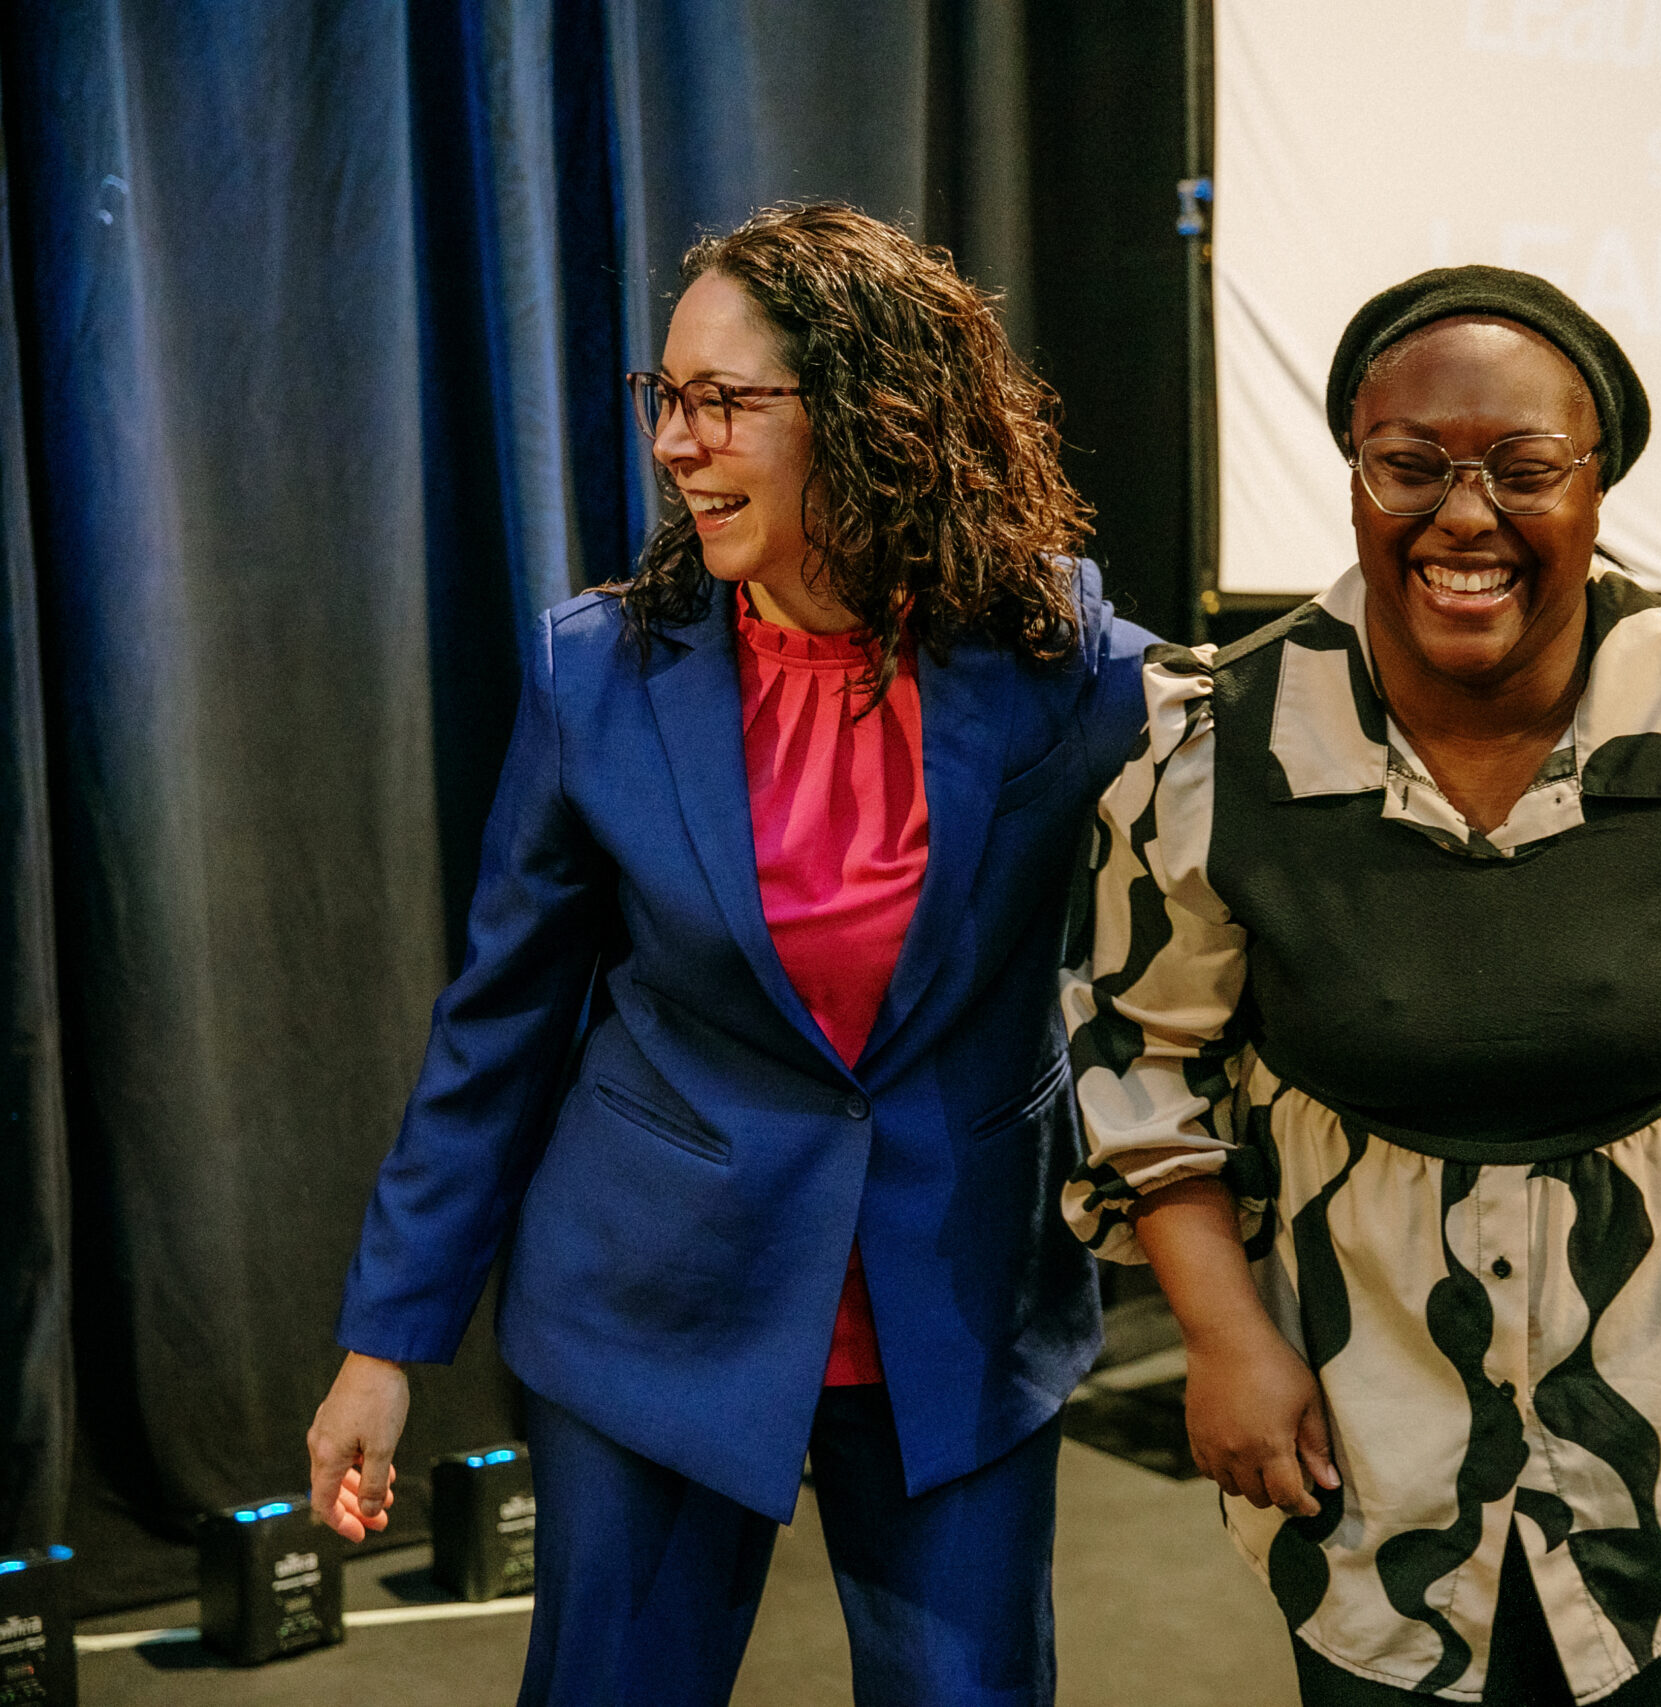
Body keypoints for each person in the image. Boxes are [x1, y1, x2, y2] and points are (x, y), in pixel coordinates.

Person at [1062, 266, 1661, 1706]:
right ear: (1354, 476)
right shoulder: (1214, 749)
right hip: (1360, 1418)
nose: (1465, 514)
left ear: (1596, 483)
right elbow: (1141, 1056)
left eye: (1525, 468)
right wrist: (1225, 1339)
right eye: (1410, 465)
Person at [306, 202, 1151, 1707]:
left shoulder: (1058, 662)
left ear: (873, 414)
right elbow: (498, 1029)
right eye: (665, 397)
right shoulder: (599, 673)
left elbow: (1263, 774)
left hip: (956, 1307)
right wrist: (386, 1342)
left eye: (721, 402)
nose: (673, 443)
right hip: (655, 1310)